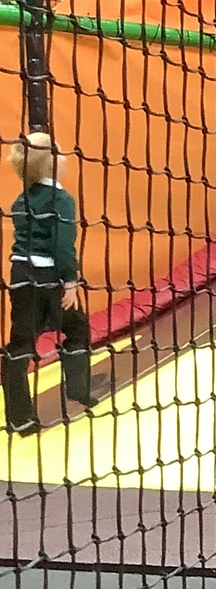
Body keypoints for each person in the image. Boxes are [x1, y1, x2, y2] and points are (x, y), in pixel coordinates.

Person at [4, 130, 94, 434]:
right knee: (77, 328)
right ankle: (79, 390)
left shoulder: (21, 199)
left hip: (21, 277)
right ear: (53, 164)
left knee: (20, 346)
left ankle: (20, 419)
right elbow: (62, 244)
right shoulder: (61, 200)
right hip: (49, 279)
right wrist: (70, 281)